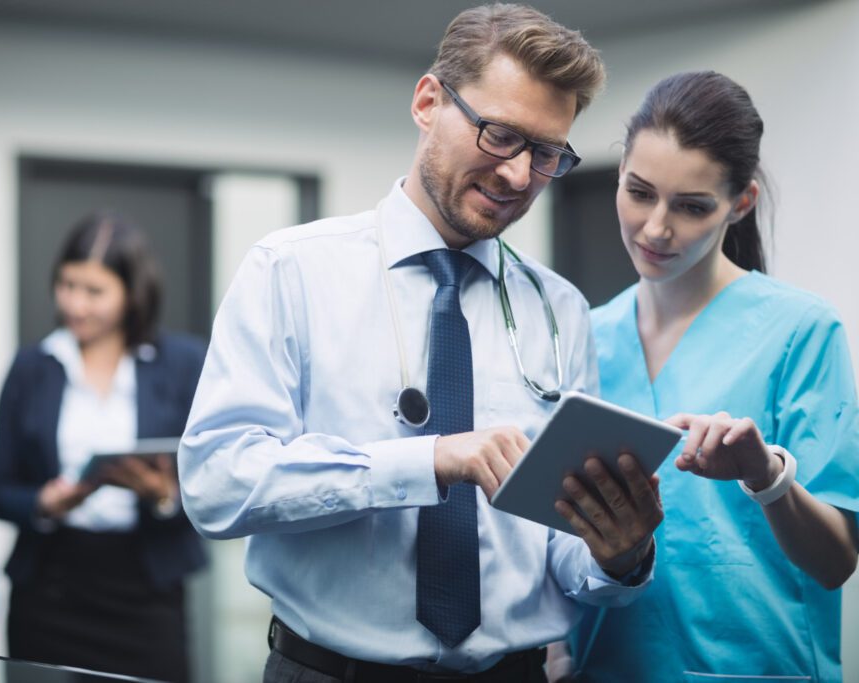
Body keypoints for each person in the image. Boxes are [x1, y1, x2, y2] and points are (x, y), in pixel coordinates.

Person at [178, 5, 665, 682]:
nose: (520, 176)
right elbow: (217, 484)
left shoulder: (559, 310)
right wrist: (426, 461)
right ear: (428, 101)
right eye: (499, 136)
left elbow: (561, 558)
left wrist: (618, 555)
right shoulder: (292, 269)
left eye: (546, 153)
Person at [563, 71, 859, 681]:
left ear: (740, 203)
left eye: (692, 206)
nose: (655, 228)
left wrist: (767, 476)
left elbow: (835, 563)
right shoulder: (582, 335)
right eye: (639, 193)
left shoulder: (800, 331)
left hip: (752, 666)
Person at [0, 212, 207, 683]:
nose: (75, 304)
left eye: (94, 291)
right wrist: (44, 503)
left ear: (132, 295)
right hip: (50, 588)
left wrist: (163, 495)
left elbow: (216, 485)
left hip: (146, 591)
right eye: (67, 285)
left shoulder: (184, 365)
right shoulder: (32, 367)